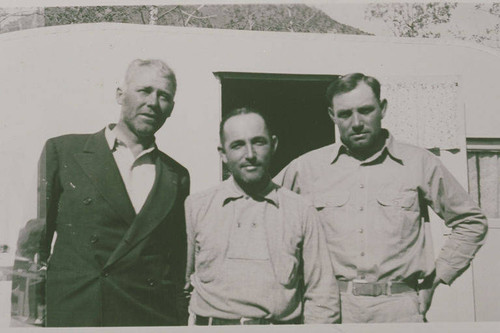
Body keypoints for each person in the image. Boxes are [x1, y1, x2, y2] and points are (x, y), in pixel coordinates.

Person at [276, 73, 488, 323]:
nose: (356, 123)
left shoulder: (419, 163)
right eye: (345, 114)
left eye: (365, 110)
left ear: (383, 109)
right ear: (332, 116)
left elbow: (471, 222)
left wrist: (436, 278)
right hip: (329, 310)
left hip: (398, 309)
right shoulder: (306, 168)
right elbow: (262, 215)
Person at [37, 59, 190, 326]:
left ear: (171, 109)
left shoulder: (176, 175)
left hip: (147, 315)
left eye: (163, 96)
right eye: (144, 90)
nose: (153, 102)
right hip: (78, 312)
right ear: (120, 95)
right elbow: (35, 243)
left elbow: (175, 262)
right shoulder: (63, 152)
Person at [184, 107, 339, 325]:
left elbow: (322, 296)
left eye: (258, 142)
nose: (250, 155)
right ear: (223, 154)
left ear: (273, 144)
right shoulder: (197, 207)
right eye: (237, 145)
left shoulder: (301, 210)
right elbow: (180, 286)